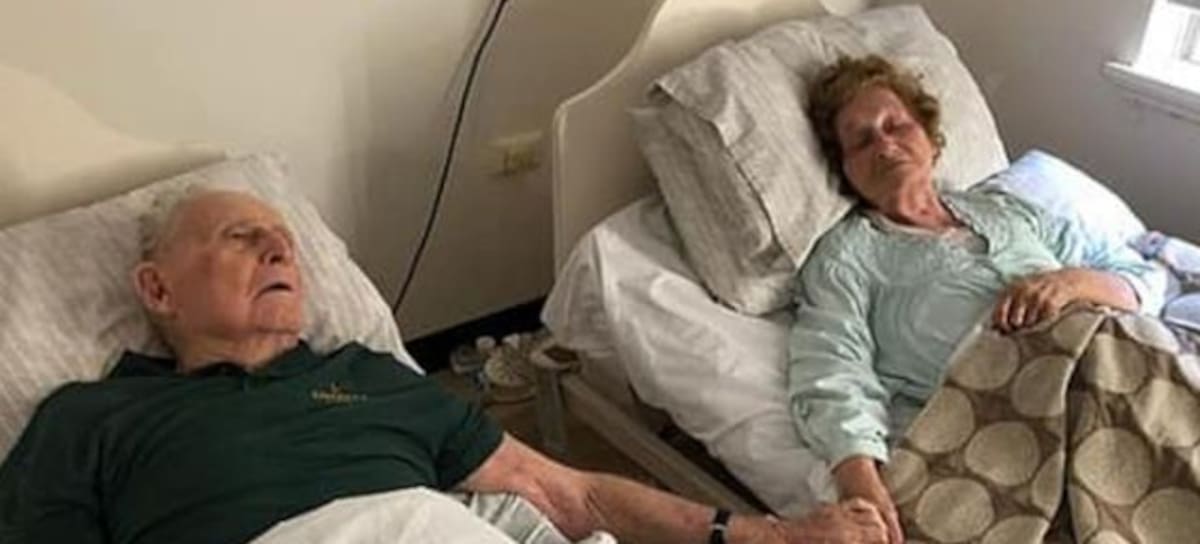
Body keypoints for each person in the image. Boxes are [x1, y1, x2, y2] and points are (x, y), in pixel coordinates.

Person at [0, 187, 888, 544]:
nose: (279, 248)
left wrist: (773, 535)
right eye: (240, 237)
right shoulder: (90, 419)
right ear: (156, 288)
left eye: (284, 238)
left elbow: (570, 495)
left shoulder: (369, 376)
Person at [788, 55, 1165, 543]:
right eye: (861, 141)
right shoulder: (848, 255)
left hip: (1122, 363)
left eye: (896, 125)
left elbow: (1142, 277)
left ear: (931, 140)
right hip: (1016, 414)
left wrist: (1072, 283)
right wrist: (860, 483)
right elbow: (832, 370)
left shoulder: (1006, 210)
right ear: (846, 171)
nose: (884, 144)